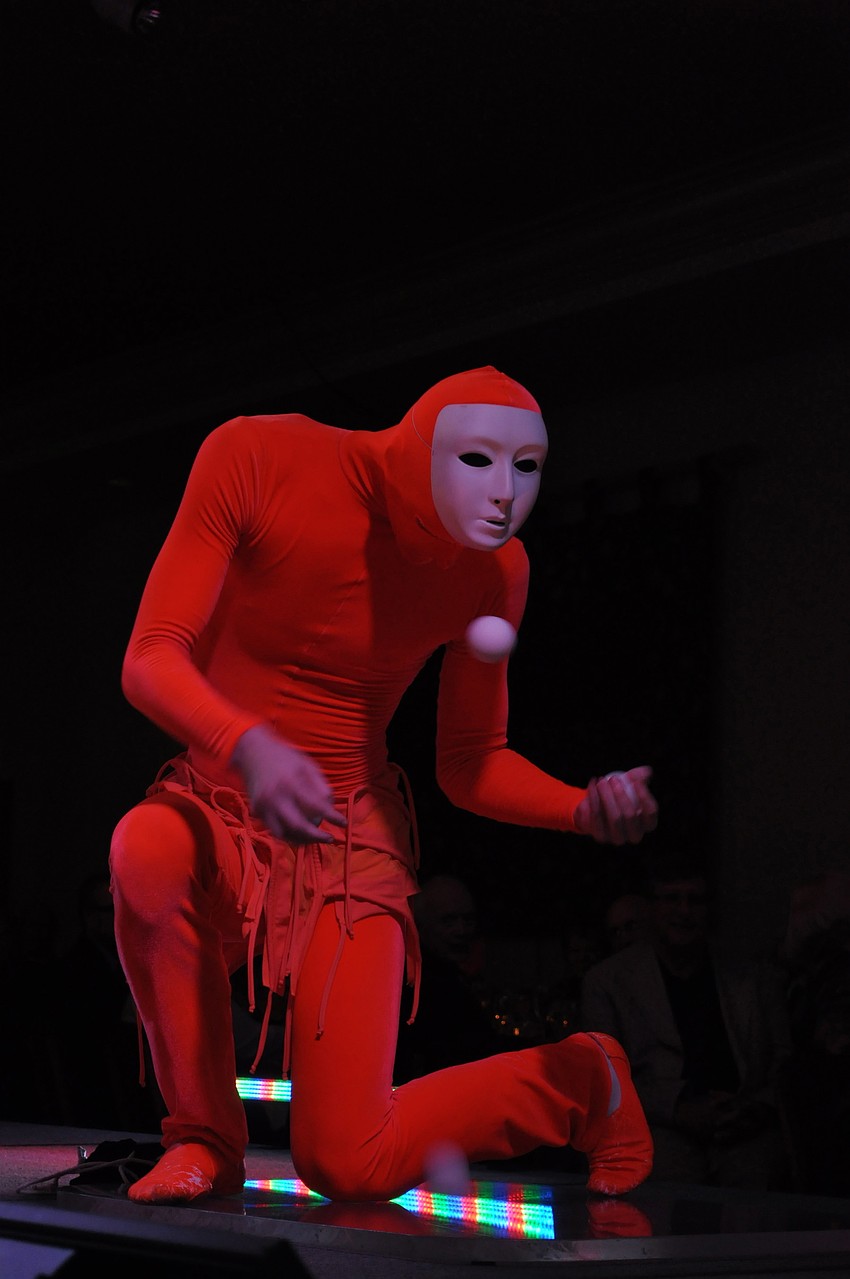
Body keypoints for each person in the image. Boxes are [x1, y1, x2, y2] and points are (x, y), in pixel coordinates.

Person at [109, 365, 659, 1205]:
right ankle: (204, 1138)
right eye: (479, 459)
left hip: (346, 837)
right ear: (422, 446)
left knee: (348, 1162)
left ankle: (582, 1080)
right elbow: (151, 655)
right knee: (145, 845)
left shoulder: (494, 571)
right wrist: (249, 744)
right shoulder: (259, 455)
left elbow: (470, 759)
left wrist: (580, 808)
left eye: (529, 467)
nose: (506, 494)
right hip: (219, 806)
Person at [579, 857, 791, 1188]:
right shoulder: (608, 982)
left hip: (745, 1125)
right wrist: (680, 1111)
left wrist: (756, 1108)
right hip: (660, 1127)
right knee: (668, 1181)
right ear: (650, 908)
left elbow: (784, 1060)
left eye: (695, 900)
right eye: (672, 899)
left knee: (756, 1183)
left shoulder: (752, 976)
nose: (684, 911)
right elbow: (604, 1080)